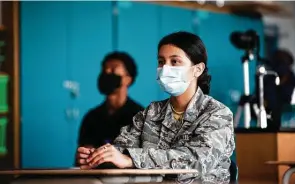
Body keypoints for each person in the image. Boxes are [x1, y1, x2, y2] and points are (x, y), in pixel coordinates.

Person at [76, 31, 235, 183]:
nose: (165, 68)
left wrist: (130, 159)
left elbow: (197, 161)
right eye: (161, 61)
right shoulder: (151, 112)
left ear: (197, 69)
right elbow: (122, 147)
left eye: (175, 61)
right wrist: (99, 157)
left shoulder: (217, 114)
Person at [76, 52, 144, 160]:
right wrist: (84, 156)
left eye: (113, 69)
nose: (107, 72)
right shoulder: (91, 117)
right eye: (104, 70)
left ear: (128, 79)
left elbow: (146, 159)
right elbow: (82, 155)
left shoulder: (141, 116)